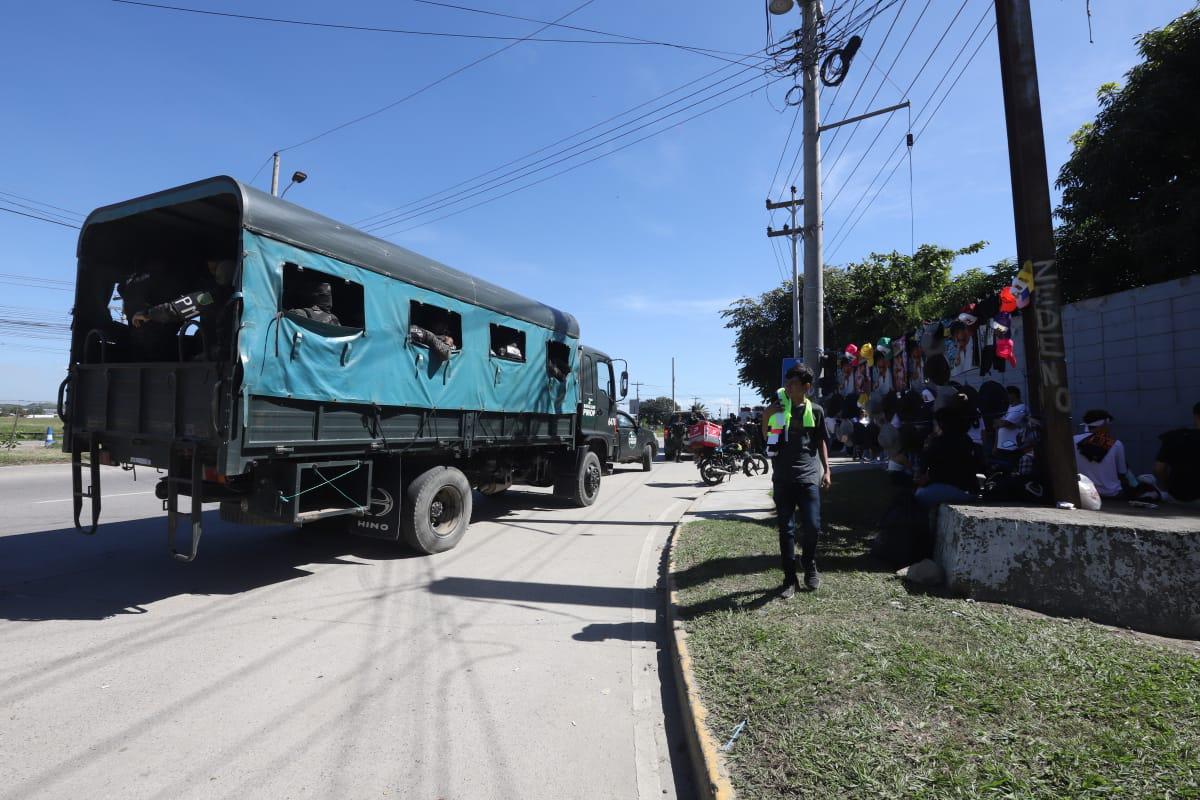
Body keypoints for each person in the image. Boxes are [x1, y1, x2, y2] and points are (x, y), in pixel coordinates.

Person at [762, 365, 831, 597]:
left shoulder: (817, 411)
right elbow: (767, 439)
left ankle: (809, 563)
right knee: (786, 530)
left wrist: (827, 470)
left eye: (793, 383)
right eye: (787, 383)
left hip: (809, 476)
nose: (788, 387)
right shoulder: (779, 411)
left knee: (813, 526)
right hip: (782, 477)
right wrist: (766, 415)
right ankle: (789, 579)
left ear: (806, 387)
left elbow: (821, 441)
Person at [914, 401, 981, 508]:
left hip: (954, 490)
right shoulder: (966, 440)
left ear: (941, 425)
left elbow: (922, 473)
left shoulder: (937, 443)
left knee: (919, 494)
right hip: (969, 490)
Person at [1073, 410, 1130, 499]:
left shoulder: (1073, 440)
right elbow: (1122, 472)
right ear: (1104, 423)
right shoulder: (1116, 444)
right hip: (1110, 493)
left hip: (1083, 493)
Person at [1152, 402, 1200, 502]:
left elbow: (1159, 469)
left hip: (1177, 495)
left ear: (1195, 416)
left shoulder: (1174, 437)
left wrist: (1166, 487)